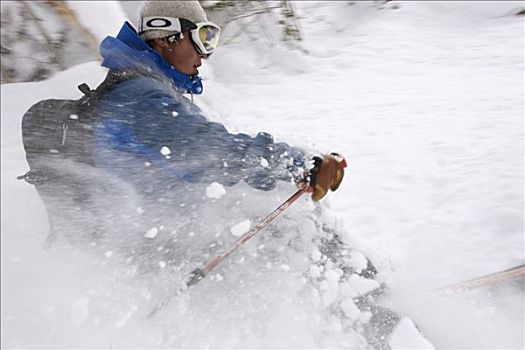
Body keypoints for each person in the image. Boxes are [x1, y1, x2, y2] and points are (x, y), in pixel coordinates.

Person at [92, 0, 346, 204]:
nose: (205, 54)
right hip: (149, 241)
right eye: (201, 38)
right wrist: (297, 165)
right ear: (164, 37)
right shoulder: (143, 96)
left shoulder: (141, 88)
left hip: (162, 225)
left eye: (210, 40)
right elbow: (208, 150)